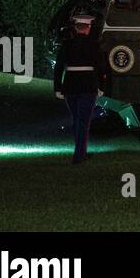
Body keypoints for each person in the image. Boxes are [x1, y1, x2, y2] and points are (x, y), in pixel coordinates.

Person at [53, 11, 108, 164]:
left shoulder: (67, 45)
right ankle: (79, 155)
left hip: (70, 86)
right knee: (83, 121)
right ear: (87, 28)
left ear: (76, 28)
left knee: (77, 119)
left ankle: (79, 152)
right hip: (88, 86)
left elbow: (58, 68)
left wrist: (57, 88)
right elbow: (101, 68)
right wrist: (101, 86)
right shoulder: (94, 45)